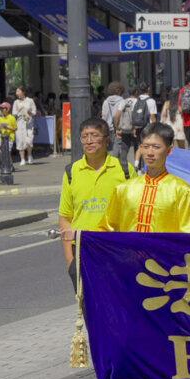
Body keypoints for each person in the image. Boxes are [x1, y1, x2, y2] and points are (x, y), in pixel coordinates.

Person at [100, 122, 190, 379]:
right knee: (127, 344)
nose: (150, 152)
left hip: (164, 285)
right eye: (146, 146)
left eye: (157, 147)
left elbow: (188, 239)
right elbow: (107, 231)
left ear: (169, 151)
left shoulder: (181, 191)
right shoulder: (124, 190)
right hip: (127, 282)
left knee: (160, 346)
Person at [58, 117, 135, 289]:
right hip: (83, 251)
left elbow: (136, 213)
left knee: (118, 301)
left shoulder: (124, 170)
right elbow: (65, 218)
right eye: (85, 136)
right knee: (87, 304)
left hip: (116, 250)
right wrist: (70, 261)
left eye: (94, 135)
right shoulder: (72, 172)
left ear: (107, 140)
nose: (89, 141)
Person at [12, 86, 37, 165]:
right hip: (19, 123)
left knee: (29, 140)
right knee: (20, 141)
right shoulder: (16, 102)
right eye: (16, 92)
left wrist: (30, 112)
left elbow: (34, 111)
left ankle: (29, 155)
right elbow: (14, 114)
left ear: (23, 92)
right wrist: (19, 110)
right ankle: (22, 159)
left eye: (18, 91)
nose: (17, 93)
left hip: (29, 123)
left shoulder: (30, 100)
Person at [0, 102, 17, 171]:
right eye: (1, 108)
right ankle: (5, 164)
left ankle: (10, 166)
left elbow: (15, 128)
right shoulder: (0, 118)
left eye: (3, 108)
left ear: (7, 109)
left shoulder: (12, 117)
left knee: (7, 152)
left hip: (10, 138)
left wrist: (7, 127)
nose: (1, 110)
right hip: (2, 137)